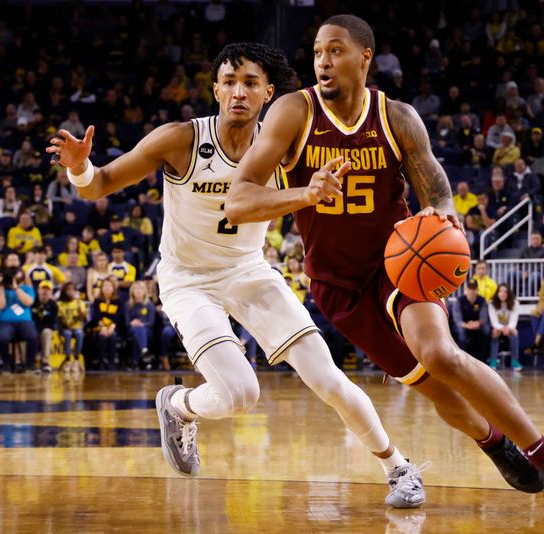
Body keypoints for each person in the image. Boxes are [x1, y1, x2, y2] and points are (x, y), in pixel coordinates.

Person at [226, 15, 544, 524]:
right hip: (338, 287)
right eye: (317, 53)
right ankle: (494, 443)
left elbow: (435, 185)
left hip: (398, 265)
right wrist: (305, 193)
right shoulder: (293, 112)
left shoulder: (396, 116)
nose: (323, 61)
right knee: (432, 386)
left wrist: (442, 209)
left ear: (365, 57)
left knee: (440, 353)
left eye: (335, 50)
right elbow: (238, 201)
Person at [47, 42, 426, 508]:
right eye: (229, 82)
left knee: (328, 378)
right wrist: (81, 167)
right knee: (240, 394)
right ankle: (179, 405)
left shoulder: (284, 146)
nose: (238, 92)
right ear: (215, 90)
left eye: (250, 83)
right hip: (188, 279)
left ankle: (398, 468)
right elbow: (101, 185)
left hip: (249, 271)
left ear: (269, 92)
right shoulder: (181, 139)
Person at [0, 256, 38, 373]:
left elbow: (28, 302)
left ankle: (29, 364)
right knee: (1, 338)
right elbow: (0, 305)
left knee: (32, 336)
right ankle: (7, 362)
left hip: (24, 321)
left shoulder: (26, 288)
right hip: (6, 322)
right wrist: (1, 287)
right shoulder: (0, 289)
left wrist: (17, 288)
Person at [488, 284, 521, 371]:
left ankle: (514, 361)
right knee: (495, 332)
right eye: (500, 291)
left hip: (509, 328)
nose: (502, 294)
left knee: (514, 332)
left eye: (505, 291)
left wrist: (508, 328)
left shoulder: (515, 303)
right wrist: (502, 328)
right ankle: (493, 360)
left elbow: (514, 321)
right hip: (498, 328)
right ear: (497, 293)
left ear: (509, 293)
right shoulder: (492, 303)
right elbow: (494, 322)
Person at [125, 281, 156, 369]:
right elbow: (127, 322)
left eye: (140, 289)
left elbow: (151, 322)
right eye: (136, 289)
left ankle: (135, 361)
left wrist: (142, 324)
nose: (138, 291)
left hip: (147, 330)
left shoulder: (149, 304)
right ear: (132, 291)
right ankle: (144, 352)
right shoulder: (128, 305)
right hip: (132, 329)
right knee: (137, 331)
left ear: (145, 291)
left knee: (140, 332)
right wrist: (132, 323)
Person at [57, 282, 87, 373]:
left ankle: (77, 359)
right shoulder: (60, 304)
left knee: (79, 333)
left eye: (72, 289)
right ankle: (68, 359)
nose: (70, 291)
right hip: (65, 327)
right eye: (68, 289)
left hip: (77, 326)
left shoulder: (80, 303)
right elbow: (59, 319)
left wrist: (79, 310)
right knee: (67, 334)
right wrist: (66, 326)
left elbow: (83, 319)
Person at [31, 280, 58, 373]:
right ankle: (30, 362)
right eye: (43, 289)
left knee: (46, 332)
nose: (45, 292)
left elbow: (52, 322)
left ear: (51, 292)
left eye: (48, 290)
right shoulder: (32, 302)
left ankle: (45, 363)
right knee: (29, 333)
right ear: (38, 290)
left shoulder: (53, 305)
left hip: (46, 328)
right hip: (33, 327)